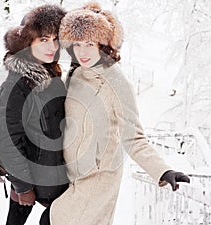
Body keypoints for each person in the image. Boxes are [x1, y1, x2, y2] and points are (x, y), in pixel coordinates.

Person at [47, 3, 190, 225]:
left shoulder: (116, 82)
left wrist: (162, 171)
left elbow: (134, 137)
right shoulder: (75, 75)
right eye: (76, 44)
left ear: (103, 45)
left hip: (98, 179)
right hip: (74, 178)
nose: (82, 51)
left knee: (52, 219)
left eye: (89, 44)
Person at [0, 4, 68, 225]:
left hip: (53, 174)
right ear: (28, 43)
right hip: (34, 179)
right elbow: (8, 139)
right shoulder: (17, 84)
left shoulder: (50, 73)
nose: (52, 46)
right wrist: (23, 186)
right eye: (43, 40)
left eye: (55, 39)